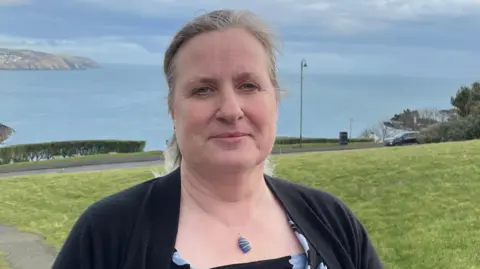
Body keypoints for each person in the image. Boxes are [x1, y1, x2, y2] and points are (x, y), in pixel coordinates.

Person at [52, 9, 383, 269]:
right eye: (203, 90)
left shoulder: (333, 221)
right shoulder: (107, 234)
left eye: (248, 86)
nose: (230, 109)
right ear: (173, 110)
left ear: (275, 102)